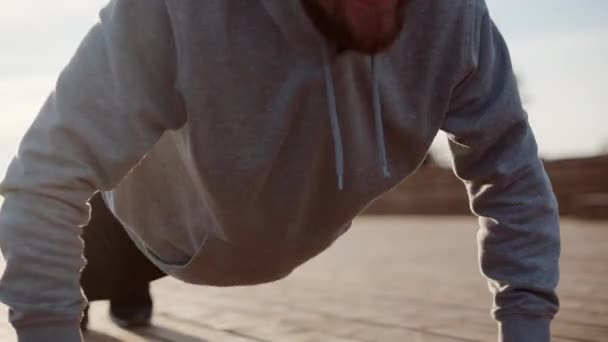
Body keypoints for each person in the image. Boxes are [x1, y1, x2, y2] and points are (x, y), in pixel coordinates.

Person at [0, 1, 560, 341]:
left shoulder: (455, 19)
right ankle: (114, 293)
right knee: (90, 274)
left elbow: (510, 175)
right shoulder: (177, 10)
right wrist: (47, 325)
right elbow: (44, 179)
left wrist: (526, 324)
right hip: (149, 227)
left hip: (270, 228)